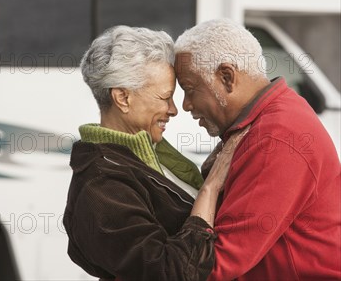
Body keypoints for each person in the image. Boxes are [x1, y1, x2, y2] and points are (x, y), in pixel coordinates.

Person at [63, 25, 248, 281]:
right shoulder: (100, 186)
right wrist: (210, 188)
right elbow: (170, 272)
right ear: (123, 98)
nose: (174, 109)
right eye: (165, 97)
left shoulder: (152, 155)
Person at [175, 18, 341, 281]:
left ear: (227, 77)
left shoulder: (276, 136)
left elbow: (213, 265)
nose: (184, 105)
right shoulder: (268, 118)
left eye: (190, 89)